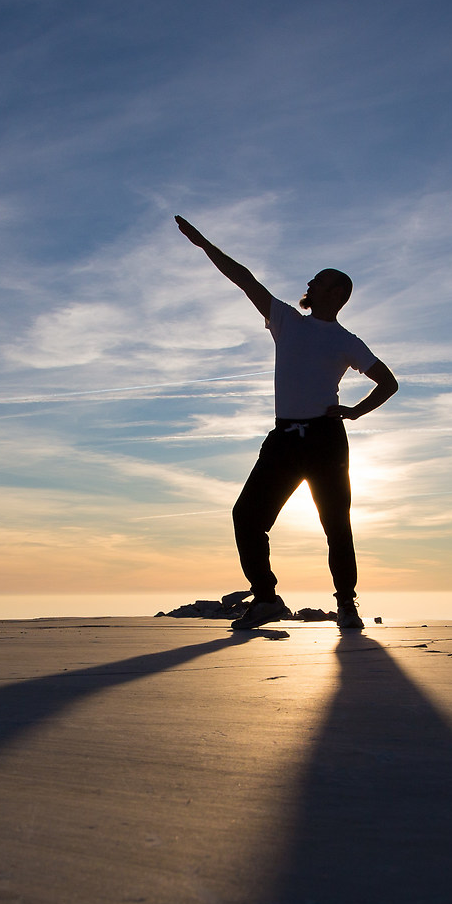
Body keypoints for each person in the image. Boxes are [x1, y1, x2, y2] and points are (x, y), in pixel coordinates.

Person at [177, 215, 398, 631]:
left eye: (318, 281)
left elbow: (389, 382)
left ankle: (346, 605)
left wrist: (354, 411)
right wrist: (205, 244)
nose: (309, 285)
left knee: (336, 525)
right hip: (283, 438)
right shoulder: (286, 321)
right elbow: (245, 280)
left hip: (325, 440)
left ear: (337, 293)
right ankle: (265, 598)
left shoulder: (347, 341)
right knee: (247, 517)